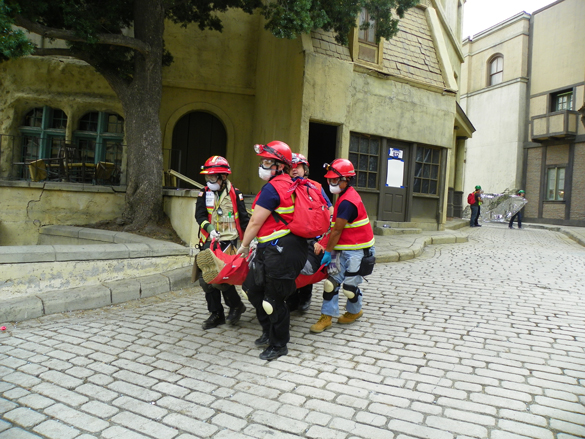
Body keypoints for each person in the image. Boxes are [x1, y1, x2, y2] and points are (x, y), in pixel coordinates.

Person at [237, 141, 309, 361]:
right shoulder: (288, 183)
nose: (263, 165)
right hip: (277, 249)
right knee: (252, 286)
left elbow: (255, 223)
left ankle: (279, 344)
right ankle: (268, 330)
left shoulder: (274, 188)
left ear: (280, 166)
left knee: (274, 300)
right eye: (263, 161)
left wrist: (244, 245)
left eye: (268, 162)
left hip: (282, 252)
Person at [310, 158, 375, 333]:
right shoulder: (343, 197)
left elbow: (337, 230)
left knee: (349, 289)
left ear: (347, 180)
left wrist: (327, 252)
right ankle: (327, 317)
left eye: (334, 180)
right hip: (340, 249)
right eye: (329, 180)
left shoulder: (348, 201)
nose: (331, 183)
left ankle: (355, 311)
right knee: (330, 283)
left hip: (356, 252)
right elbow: (334, 230)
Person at [195, 156, 249, 330]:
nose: (209, 181)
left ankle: (236, 306)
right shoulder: (204, 193)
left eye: (212, 177)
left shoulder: (236, 194)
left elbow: (245, 220)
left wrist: (251, 240)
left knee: (222, 279)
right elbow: (200, 216)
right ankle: (216, 313)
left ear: (223, 177)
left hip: (229, 243)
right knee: (206, 280)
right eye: (207, 177)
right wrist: (210, 229)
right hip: (210, 241)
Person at [286, 153, 333, 313]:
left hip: (312, 237)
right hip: (291, 236)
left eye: (297, 166)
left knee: (306, 267)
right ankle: (291, 298)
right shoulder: (284, 187)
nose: (294, 170)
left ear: (304, 169)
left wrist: (325, 238)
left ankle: (305, 297)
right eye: (291, 167)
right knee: (290, 267)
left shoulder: (316, 187)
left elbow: (330, 209)